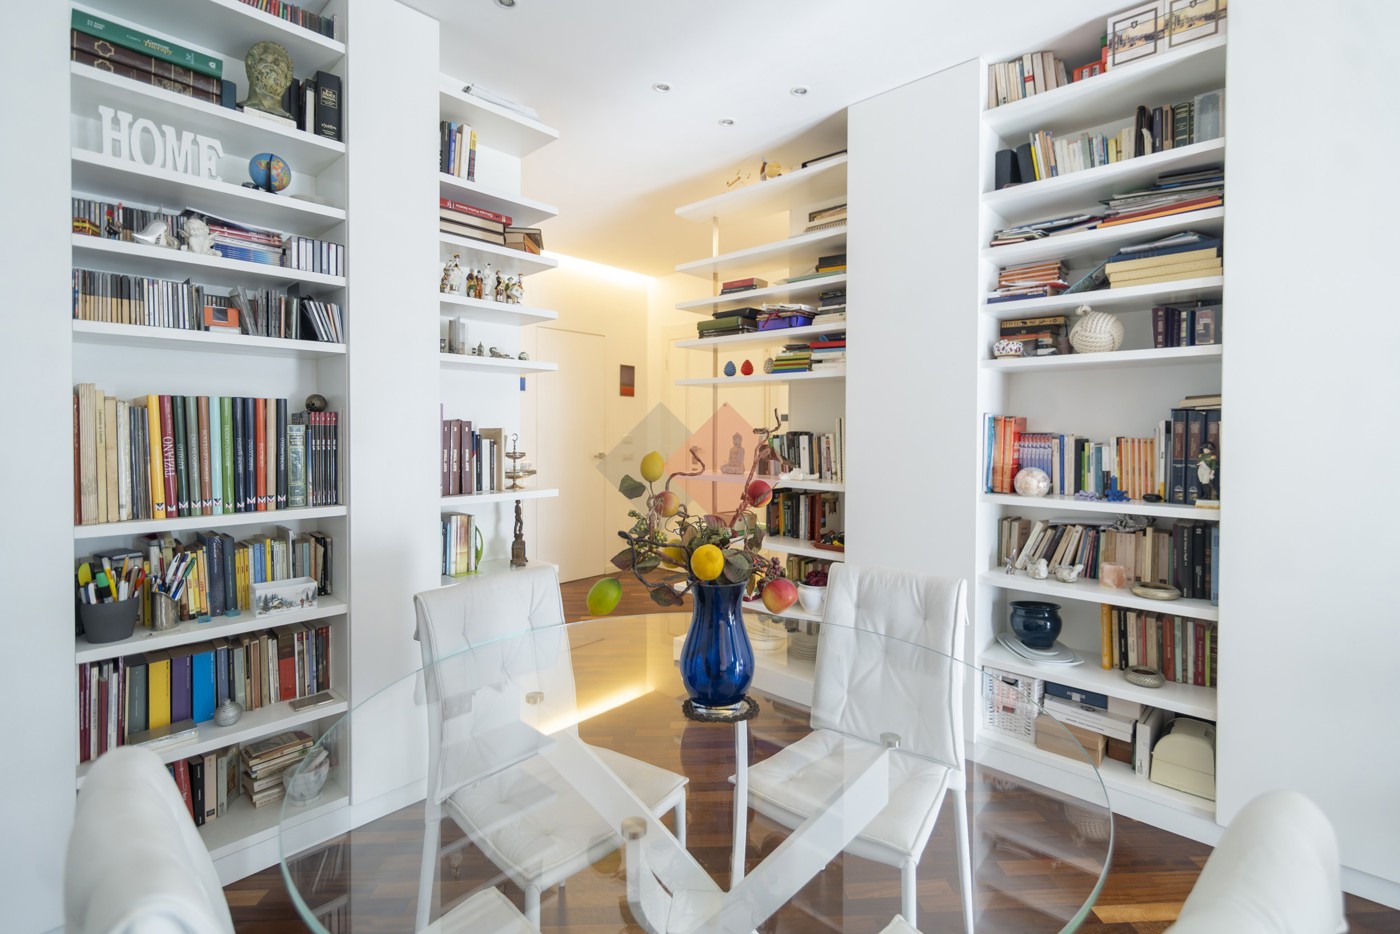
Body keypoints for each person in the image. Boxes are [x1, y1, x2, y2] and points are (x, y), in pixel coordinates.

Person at [244, 41, 294, 117]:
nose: (276, 63)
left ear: (288, 80)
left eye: (283, 65)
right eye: (268, 57)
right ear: (251, 62)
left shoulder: (286, 117)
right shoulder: (237, 107)